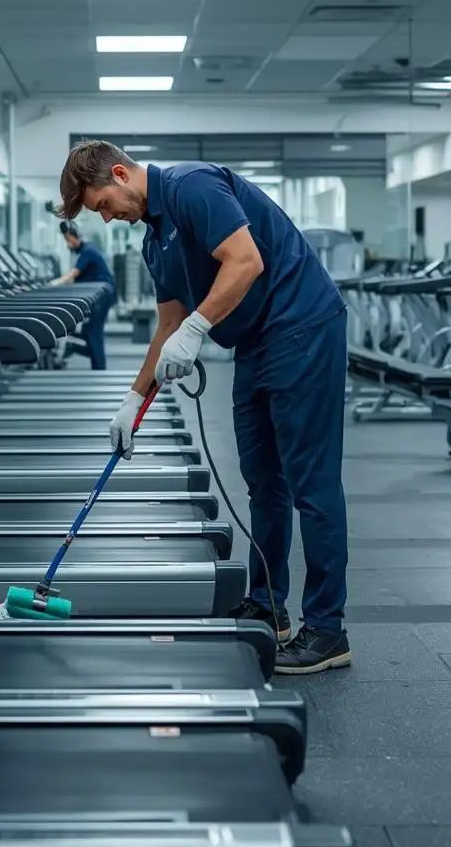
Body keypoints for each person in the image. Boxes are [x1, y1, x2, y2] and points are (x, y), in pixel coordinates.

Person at [56, 139, 349, 675]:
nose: (110, 218)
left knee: (311, 482)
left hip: (304, 326)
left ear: (120, 175)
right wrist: (134, 398)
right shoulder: (155, 240)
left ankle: (328, 630)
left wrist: (197, 328)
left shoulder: (193, 186)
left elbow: (245, 260)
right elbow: (168, 324)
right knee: (262, 480)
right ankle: (268, 606)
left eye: (103, 205)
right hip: (257, 341)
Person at [50, 220, 116, 371]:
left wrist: (54, 283)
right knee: (88, 331)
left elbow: (73, 274)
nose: (67, 244)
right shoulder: (85, 250)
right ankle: (78, 351)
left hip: (102, 295)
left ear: (75, 237)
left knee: (94, 331)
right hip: (99, 294)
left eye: (68, 239)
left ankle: (99, 369)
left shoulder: (88, 251)